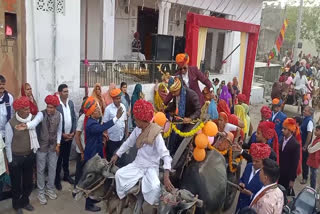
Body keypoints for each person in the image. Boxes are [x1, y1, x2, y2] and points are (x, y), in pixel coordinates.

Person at [111, 99, 174, 207]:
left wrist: (166, 176)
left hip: (151, 167)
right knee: (118, 175)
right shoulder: (137, 130)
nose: (135, 122)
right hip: (137, 164)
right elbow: (128, 143)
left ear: (142, 120)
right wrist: (117, 154)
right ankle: (129, 198)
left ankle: (153, 206)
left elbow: (166, 156)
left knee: (155, 187)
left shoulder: (156, 134)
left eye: (136, 120)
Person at [83, 96, 123, 212]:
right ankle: (89, 204)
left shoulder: (93, 121)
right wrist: (116, 118)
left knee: (96, 178)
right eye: (96, 109)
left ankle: (92, 199)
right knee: (91, 180)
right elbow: (102, 128)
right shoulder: (91, 124)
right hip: (92, 155)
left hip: (96, 152)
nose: (99, 110)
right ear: (91, 113)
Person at [23, 95, 62, 205]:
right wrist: (26, 125)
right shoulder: (41, 114)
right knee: (40, 169)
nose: (49, 109)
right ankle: (41, 192)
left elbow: (59, 130)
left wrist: (58, 144)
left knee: (52, 169)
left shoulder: (59, 115)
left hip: (53, 146)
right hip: (42, 146)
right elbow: (34, 123)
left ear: (55, 107)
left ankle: (50, 189)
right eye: (47, 107)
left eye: (51, 107)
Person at [5, 96, 38, 214]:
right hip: (16, 158)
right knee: (16, 184)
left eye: (28, 108)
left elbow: (41, 116)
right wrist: (10, 161)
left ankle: (25, 201)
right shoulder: (11, 124)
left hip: (29, 156)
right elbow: (8, 144)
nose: (28, 111)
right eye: (25, 109)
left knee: (28, 183)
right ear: (18, 110)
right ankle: (16, 205)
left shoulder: (31, 120)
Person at [166, 77, 201, 154]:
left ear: (179, 88)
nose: (173, 94)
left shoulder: (191, 95)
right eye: (172, 92)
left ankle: (179, 157)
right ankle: (171, 153)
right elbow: (175, 105)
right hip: (180, 120)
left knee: (181, 138)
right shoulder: (176, 94)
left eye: (174, 92)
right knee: (172, 135)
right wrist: (166, 109)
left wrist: (190, 118)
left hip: (191, 122)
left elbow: (198, 111)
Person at [236, 143, 270, 212]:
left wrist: (251, 195)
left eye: (257, 161)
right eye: (253, 160)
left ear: (264, 162)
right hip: (240, 205)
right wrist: (241, 183)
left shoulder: (265, 176)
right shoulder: (249, 166)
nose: (253, 163)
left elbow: (264, 199)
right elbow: (242, 179)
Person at [55, 84, 77, 190]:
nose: (67, 93)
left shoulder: (70, 103)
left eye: (67, 91)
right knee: (58, 159)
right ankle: (57, 179)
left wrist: (73, 132)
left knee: (66, 158)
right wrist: (62, 133)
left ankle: (66, 176)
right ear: (59, 93)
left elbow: (74, 117)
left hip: (70, 136)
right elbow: (55, 121)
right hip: (60, 137)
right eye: (64, 91)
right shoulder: (57, 104)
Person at [103, 88, 127, 161]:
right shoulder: (108, 109)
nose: (119, 100)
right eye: (117, 99)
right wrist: (105, 137)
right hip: (111, 139)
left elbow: (125, 120)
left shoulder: (123, 107)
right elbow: (105, 124)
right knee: (111, 158)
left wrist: (126, 133)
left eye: (119, 98)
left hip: (121, 137)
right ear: (113, 99)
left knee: (121, 158)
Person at [278, 118, 300, 194]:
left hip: (286, 175)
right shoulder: (281, 139)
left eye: (285, 129)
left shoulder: (295, 144)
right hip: (278, 172)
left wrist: (292, 180)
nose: (282, 130)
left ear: (290, 130)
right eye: (282, 128)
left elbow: (295, 164)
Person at [300, 106, 314, 184]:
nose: (304, 111)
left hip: (304, 144)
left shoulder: (310, 122)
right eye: (304, 110)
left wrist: (305, 145)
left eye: (305, 111)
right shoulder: (305, 119)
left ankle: (305, 177)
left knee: (305, 161)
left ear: (310, 113)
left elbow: (309, 134)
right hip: (301, 143)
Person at [307, 125, 320, 189]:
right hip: (312, 160)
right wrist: (309, 148)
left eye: (317, 131)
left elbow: (311, 150)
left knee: (313, 176)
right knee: (312, 175)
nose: (315, 132)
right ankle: (311, 188)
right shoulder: (316, 138)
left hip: (315, 161)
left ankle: (313, 189)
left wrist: (309, 148)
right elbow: (310, 145)